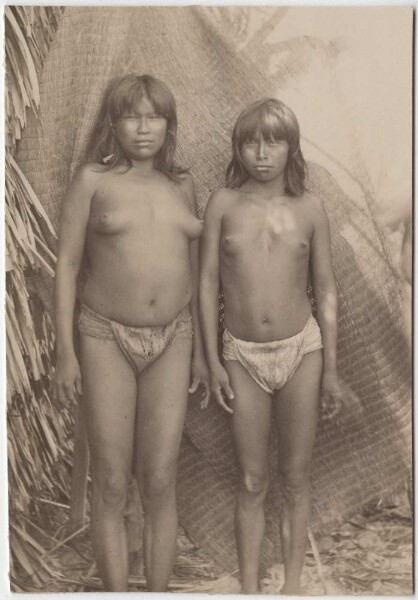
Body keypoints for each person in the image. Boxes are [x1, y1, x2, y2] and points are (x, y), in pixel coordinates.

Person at [54, 74, 209, 592]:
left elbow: (195, 273)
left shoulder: (182, 185)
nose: (143, 128)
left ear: (169, 123)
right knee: (114, 480)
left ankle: (158, 591)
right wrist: (65, 353)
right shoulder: (92, 180)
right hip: (104, 337)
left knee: (160, 479)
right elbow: (68, 266)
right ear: (113, 123)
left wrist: (202, 354)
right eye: (131, 116)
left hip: (175, 337)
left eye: (154, 116)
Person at [200, 98, 342, 594]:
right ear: (238, 149)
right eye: (250, 142)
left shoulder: (310, 208)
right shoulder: (223, 202)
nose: (262, 152)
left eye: (274, 140)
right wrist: (212, 358)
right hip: (241, 354)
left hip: (302, 351)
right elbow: (206, 283)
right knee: (252, 479)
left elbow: (324, 289)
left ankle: (294, 588)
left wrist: (331, 370)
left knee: (296, 477)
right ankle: (249, 588)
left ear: (291, 147)